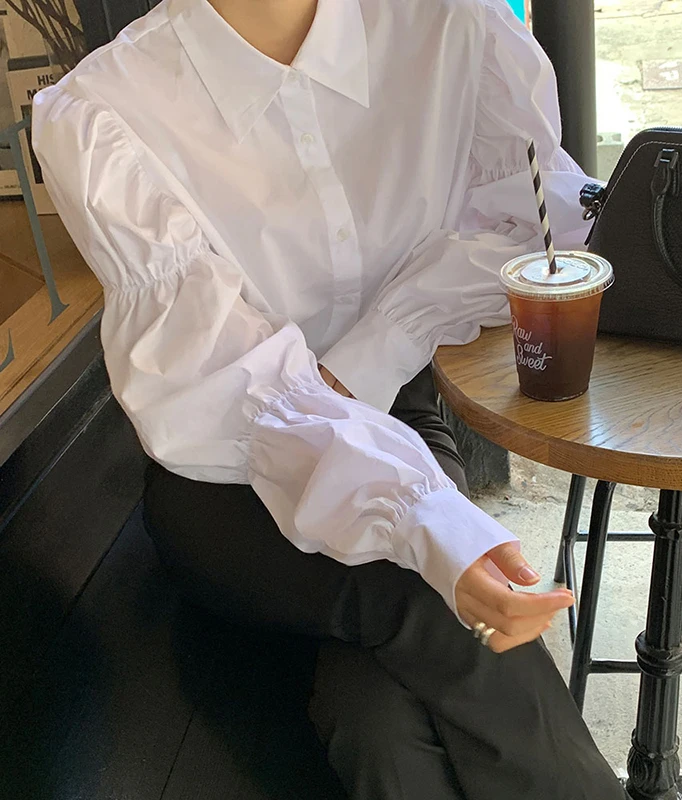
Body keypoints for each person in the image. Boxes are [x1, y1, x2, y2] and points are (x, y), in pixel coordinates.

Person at [32, 1, 628, 797]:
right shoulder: (105, 111)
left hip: (395, 423)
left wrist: (375, 350)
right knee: (436, 604)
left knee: (378, 726)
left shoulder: (450, 26)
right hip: (222, 483)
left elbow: (526, 224)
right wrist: (421, 519)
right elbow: (218, 383)